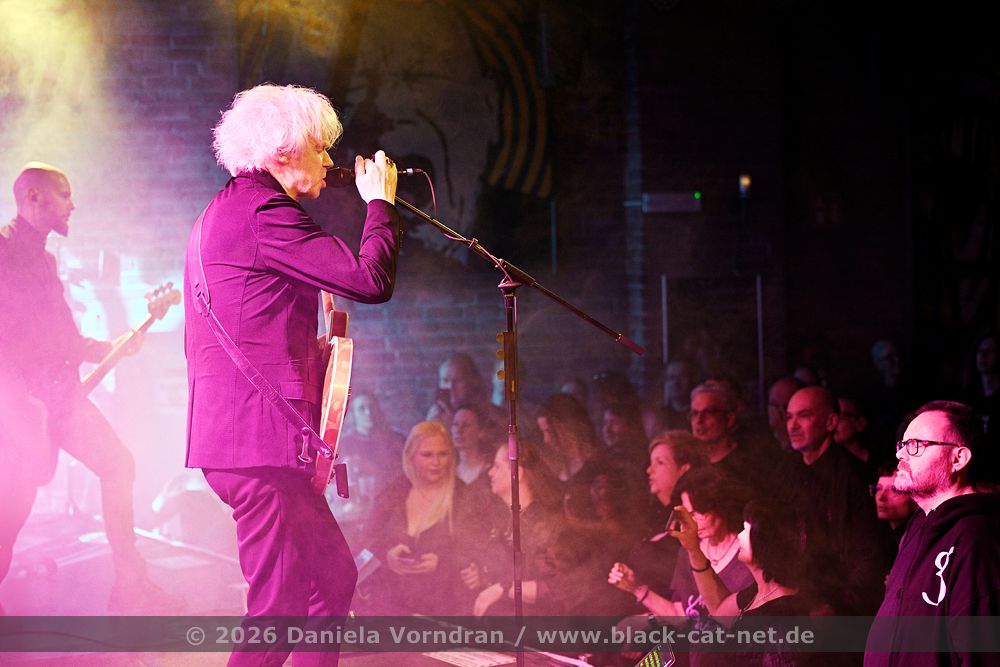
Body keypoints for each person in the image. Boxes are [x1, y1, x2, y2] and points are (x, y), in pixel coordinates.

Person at [183, 84, 400, 666]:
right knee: (276, 615)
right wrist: (380, 205)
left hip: (248, 442)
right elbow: (370, 280)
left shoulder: (227, 211)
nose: (328, 159)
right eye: (319, 146)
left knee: (331, 581)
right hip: (257, 447)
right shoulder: (263, 213)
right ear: (282, 151)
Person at [0, 162, 171, 613]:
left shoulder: (44, 259)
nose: (72, 205)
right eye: (64, 194)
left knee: (118, 465)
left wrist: (108, 348)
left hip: (62, 400)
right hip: (23, 409)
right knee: (9, 518)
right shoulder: (2, 252)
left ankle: (130, 585)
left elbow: (61, 338)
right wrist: (18, 405)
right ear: (33, 197)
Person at [865, 401, 1000, 667]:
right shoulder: (917, 527)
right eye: (902, 445)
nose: (900, 455)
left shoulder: (976, 536)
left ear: (958, 459)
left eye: (915, 445)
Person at [363, 421, 480, 616]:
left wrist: (443, 563)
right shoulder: (394, 493)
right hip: (394, 607)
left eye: (443, 454)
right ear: (411, 457)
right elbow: (366, 542)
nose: (436, 462)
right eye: (427, 455)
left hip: (447, 609)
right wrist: (387, 556)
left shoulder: (464, 497)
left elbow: (481, 552)